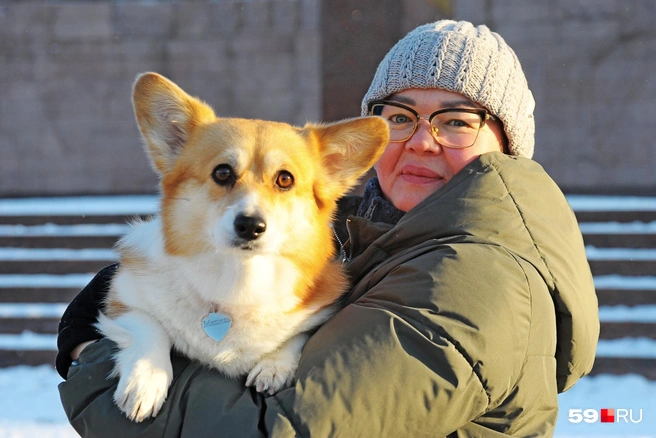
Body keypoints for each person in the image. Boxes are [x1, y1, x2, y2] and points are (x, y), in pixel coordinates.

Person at [57, 20, 599, 437]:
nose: (420, 140)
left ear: (506, 143)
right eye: (401, 116)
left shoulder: (478, 276)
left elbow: (275, 429)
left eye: (457, 120)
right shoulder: (384, 244)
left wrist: (92, 355)